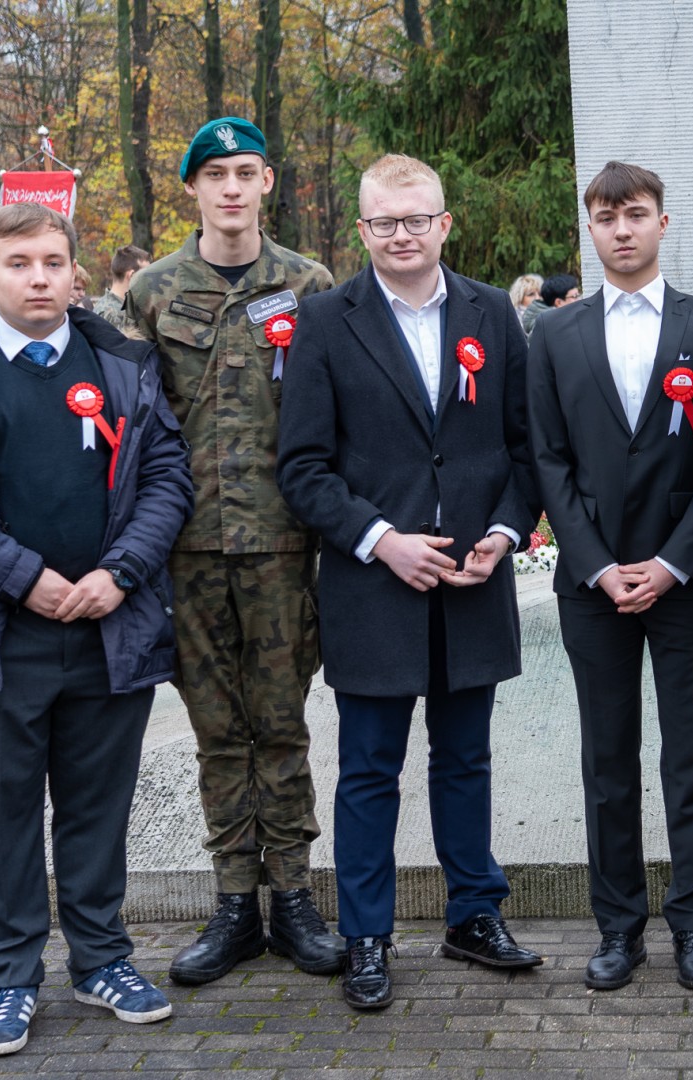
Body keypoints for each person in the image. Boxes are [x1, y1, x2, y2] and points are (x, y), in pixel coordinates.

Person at [0, 203, 193, 1057]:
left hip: (108, 627)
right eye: (19, 263)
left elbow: (167, 476)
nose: (38, 278)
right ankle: (10, 977)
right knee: (2, 814)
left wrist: (118, 573)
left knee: (98, 808)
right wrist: (24, 577)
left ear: (74, 274)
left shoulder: (124, 364)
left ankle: (101, 961)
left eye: (53, 262)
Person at [276, 153, 543, 1011]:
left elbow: (524, 447)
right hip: (374, 585)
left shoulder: (493, 313)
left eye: (417, 219)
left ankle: (474, 914)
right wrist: (380, 540)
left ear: (444, 223)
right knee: (368, 769)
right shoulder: (326, 321)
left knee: (465, 760)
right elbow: (303, 467)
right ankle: (366, 934)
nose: (402, 235)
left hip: (472, 580)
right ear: (362, 229)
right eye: (385, 222)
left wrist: (504, 533)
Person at [124, 117, 342, 986]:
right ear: (193, 188)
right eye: (214, 175)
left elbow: (334, 415)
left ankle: (293, 899)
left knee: (281, 726)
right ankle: (233, 906)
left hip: (284, 546)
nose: (231, 188)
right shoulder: (151, 292)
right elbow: (132, 428)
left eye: (245, 172)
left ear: (267, 182)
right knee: (218, 734)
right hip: (187, 549)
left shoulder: (310, 284)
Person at [527, 161, 693, 991]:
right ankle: (618, 926)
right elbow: (547, 458)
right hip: (593, 583)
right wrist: (596, 563)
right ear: (591, 226)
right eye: (607, 217)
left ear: (662, 223)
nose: (622, 229)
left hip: (687, 579)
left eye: (636, 214)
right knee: (607, 760)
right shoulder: (555, 334)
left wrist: (675, 561)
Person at [95, 245, 151, 330]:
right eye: (145, 276)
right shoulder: (111, 313)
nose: (148, 281)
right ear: (132, 275)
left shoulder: (120, 307)